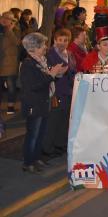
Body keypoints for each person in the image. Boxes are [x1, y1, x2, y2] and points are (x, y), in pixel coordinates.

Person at [20, 33, 68, 173]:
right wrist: (51, 75)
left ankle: (36, 159)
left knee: (41, 133)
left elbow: (46, 80)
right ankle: (28, 162)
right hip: (34, 104)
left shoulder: (41, 61)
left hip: (44, 101)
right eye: (42, 46)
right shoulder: (28, 64)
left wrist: (57, 73)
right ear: (33, 48)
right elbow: (34, 86)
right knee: (32, 134)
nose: (45, 48)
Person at [43, 28, 76, 157]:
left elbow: (72, 69)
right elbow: (50, 73)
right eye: (60, 40)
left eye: (66, 40)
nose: (63, 43)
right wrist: (61, 72)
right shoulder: (49, 54)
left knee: (64, 120)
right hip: (55, 92)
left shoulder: (70, 54)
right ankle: (47, 147)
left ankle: (60, 144)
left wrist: (71, 73)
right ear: (55, 40)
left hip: (68, 90)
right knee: (53, 121)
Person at [0, 11, 20, 115]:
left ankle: (10, 107)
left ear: (12, 21)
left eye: (8, 18)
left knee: (11, 87)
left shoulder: (15, 30)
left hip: (9, 63)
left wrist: (9, 31)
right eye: (3, 17)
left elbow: (17, 42)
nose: (4, 19)